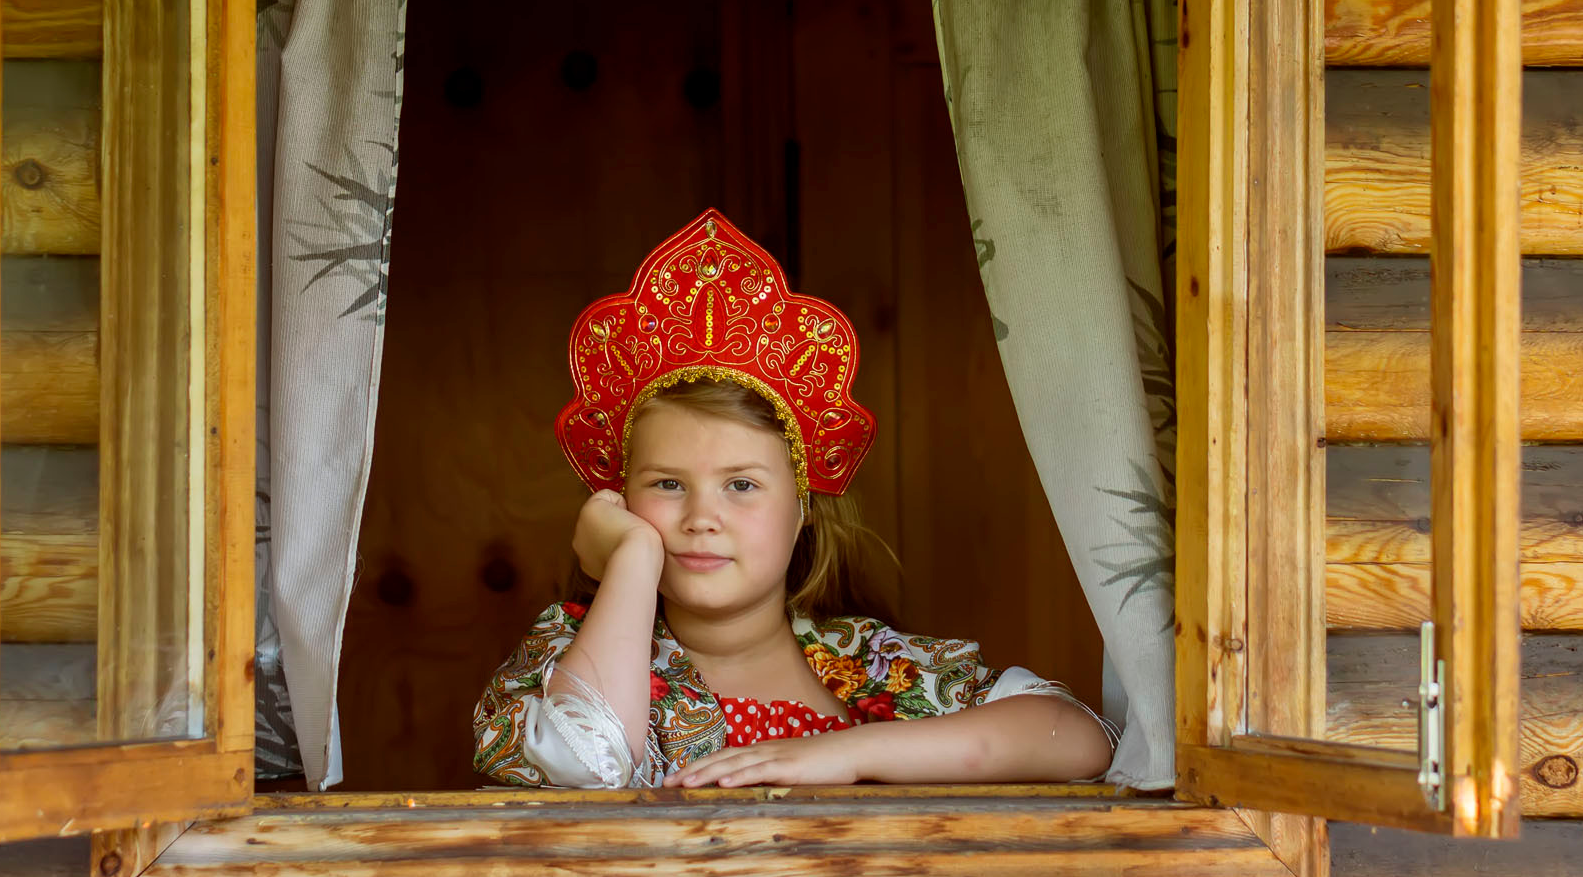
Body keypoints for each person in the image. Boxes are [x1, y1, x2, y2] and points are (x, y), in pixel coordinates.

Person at [473, 209, 1114, 789]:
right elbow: (588, 762)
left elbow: (1082, 741)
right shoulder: (566, 653)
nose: (700, 519)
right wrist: (634, 555)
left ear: (804, 506)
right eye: (667, 485)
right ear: (617, 500)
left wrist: (851, 753)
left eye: (742, 485)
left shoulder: (873, 666)